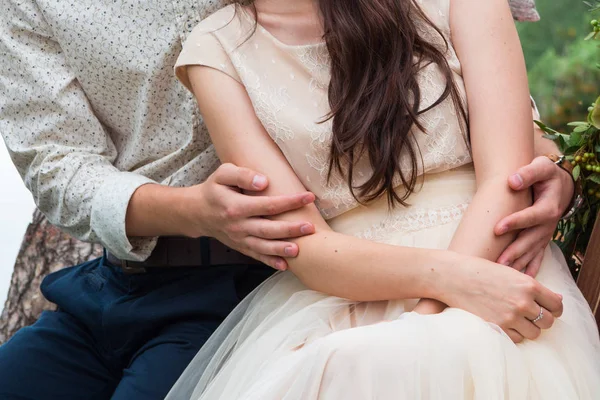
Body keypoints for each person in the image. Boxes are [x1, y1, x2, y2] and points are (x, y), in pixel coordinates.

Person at [0, 0, 583, 399]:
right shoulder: (218, 44)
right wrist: (194, 211)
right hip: (154, 272)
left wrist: (545, 159)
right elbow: (56, 165)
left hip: (241, 279)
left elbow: (478, 132)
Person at [166, 0, 600, 398]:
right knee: (340, 365)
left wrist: (428, 319)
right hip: (349, 283)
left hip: (489, 251)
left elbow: (507, 175)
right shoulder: (217, 46)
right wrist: (447, 282)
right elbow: (300, 241)